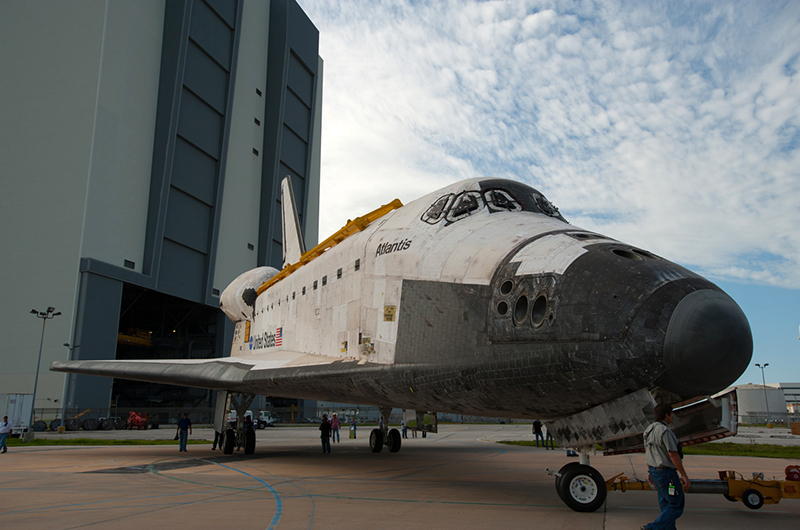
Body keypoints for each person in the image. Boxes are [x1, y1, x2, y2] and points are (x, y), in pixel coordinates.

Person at [642, 403, 690, 530]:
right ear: (666, 415)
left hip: (654, 471)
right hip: (666, 474)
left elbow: (648, 452)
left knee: (666, 505)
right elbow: (673, 454)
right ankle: (651, 528)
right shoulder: (665, 431)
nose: (672, 416)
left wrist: (649, 471)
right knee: (676, 506)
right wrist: (684, 475)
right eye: (672, 414)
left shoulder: (648, 430)